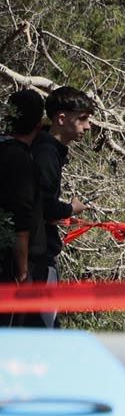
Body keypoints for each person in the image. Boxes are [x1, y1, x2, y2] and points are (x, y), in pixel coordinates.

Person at [29, 87, 94, 330]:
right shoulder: (46, 152)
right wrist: (70, 209)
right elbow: (44, 206)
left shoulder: (47, 148)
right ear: (61, 119)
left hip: (37, 252)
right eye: (82, 119)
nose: (87, 127)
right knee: (44, 332)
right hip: (36, 259)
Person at [0, 90, 47, 328]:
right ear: (38, 125)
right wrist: (23, 273)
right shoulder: (20, 161)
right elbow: (20, 223)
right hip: (9, 268)